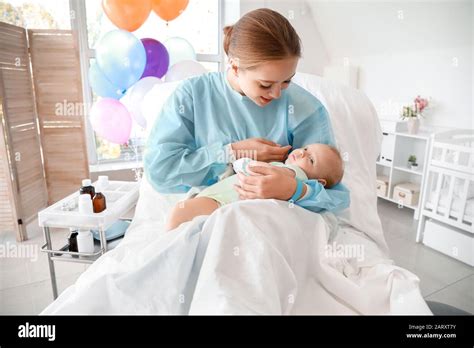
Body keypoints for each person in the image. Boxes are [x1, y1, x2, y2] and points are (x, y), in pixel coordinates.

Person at [144, 8, 350, 228]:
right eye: (265, 84)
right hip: (208, 213)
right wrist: (231, 151)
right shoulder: (193, 96)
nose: (277, 94)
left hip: (274, 222)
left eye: (287, 81)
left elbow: (336, 195)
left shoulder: (306, 109)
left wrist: (294, 189)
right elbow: (160, 172)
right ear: (234, 65)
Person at [165, 143, 344, 230]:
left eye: (311, 159)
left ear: (320, 182)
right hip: (222, 199)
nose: (301, 153)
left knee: (180, 213)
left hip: (222, 201)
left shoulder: (294, 174)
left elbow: (256, 169)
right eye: (305, 148)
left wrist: (243, 162)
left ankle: (169, 251)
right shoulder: (287, 171)